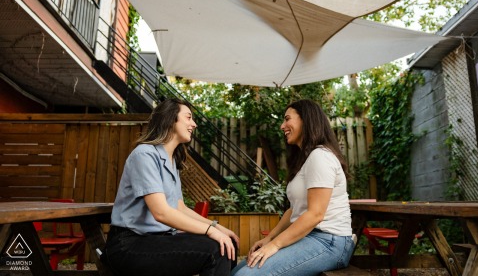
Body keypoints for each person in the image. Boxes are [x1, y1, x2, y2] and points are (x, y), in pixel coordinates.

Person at [104, 98, 239, 276]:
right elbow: (161, 212)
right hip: (129, 245)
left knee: (227, 244)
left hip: (158, 240)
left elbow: (179, 207)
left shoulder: (172, 161)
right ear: (170, 118)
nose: (194, 124)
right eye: (189, 117)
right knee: (216, 251)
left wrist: (217, 227)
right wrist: (210, 231)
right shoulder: (145, 154)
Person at [231, 99, 355, 276]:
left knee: (246, 275)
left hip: (329, 241)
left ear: (306, 120)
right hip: (309, 237)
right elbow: (294, 210)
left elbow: (315, 214)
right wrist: (269, 238)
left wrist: (275, 245)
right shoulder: (306, 160)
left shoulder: (320, 156)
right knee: (238, 269)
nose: (282, 126)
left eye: (287, 119)